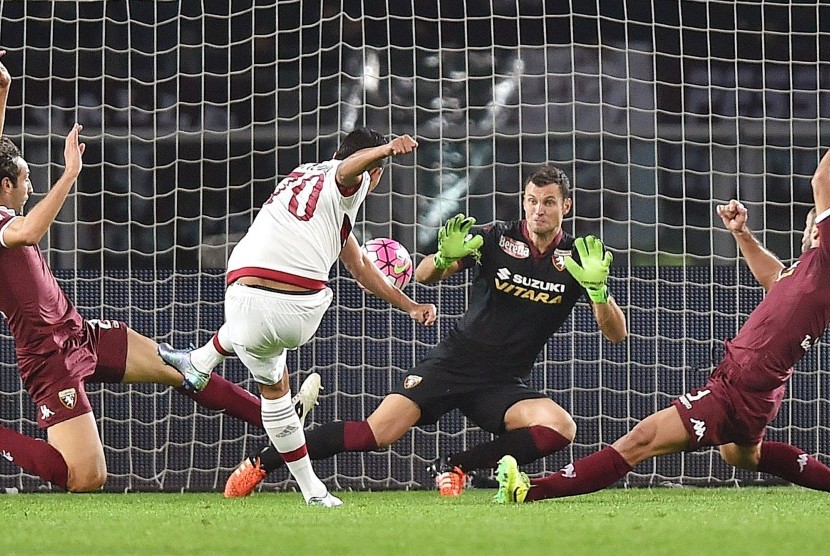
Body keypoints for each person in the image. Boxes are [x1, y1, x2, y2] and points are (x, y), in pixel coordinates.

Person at [221, 163, 628, 498]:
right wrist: (443, 256)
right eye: (532, 201)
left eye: (549, 202)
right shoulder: (496, 238)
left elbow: (617, 334)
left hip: (503, 383)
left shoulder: (581, 259)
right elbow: (424, 274)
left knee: (561, 427)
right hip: (452, 363)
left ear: (566, 206)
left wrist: (599, 291)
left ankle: (456, 466)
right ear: (523, 201)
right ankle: (263, 461)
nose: (538, 209)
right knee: (374, 434)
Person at [0, 56, 269, 493]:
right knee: (86, 478)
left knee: (182, 369)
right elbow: (30, 230)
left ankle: (277, 414)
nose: (31, 186)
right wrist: (70, 175)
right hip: (47, 358)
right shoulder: (5, 224)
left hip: (78, 332)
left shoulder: (3, 199)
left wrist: (4, 88)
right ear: (7, 185)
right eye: (27, 179)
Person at [495, 153, 830, 503]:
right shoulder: (809, 270)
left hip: (742, 385)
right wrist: (742, 234)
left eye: (815, 222)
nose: (811, 227)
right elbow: (774, 279)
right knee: (745, 456)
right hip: (756, 385)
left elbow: (821, 180)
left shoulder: (827, 262)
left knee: (640, 440)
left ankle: (529, 490)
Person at [159, 128, 437, 506]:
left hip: (237, 296)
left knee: (270, 382)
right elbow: (347, 172)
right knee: (291, 351)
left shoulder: (304, 176)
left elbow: (359, 265)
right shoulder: (347, 180)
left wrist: (409, 305)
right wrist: (385, 150)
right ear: (375, 171)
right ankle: (312, 486)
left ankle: (200, 362)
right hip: (296, 311)